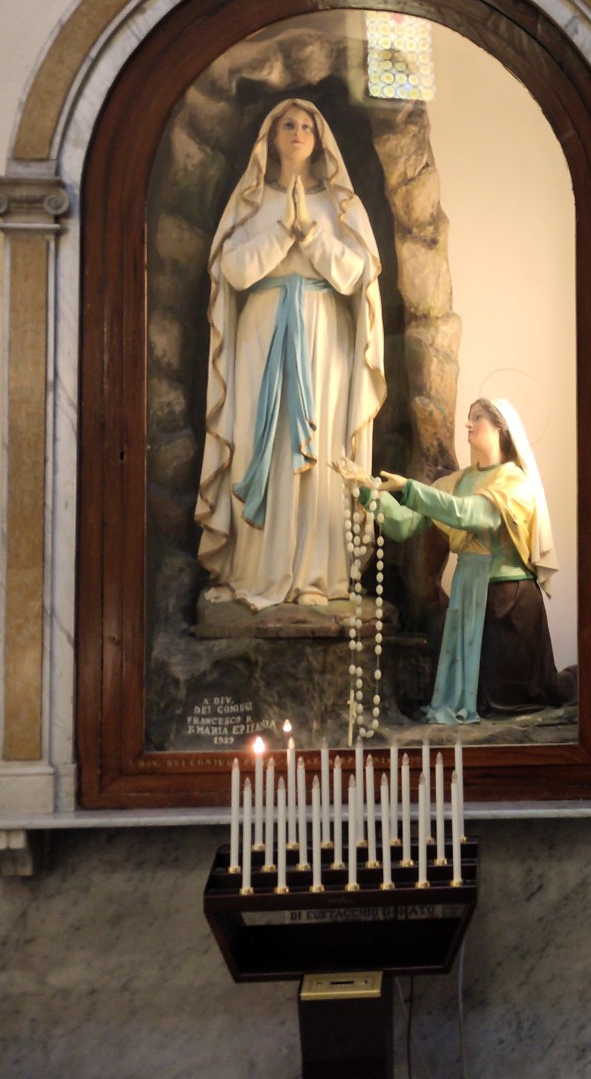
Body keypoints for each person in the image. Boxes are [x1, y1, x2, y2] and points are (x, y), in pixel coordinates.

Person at [194, 98, 387, 610]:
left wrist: (312, 232)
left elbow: (356, 274)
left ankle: (316, 577)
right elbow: (233, 271)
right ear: (271, 137)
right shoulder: (251, 200)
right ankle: (252, 570)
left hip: (324, 334)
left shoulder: (340, 204)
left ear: (320, 139)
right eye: (288, 125)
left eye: (306, 126)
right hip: (261, 330)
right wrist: (282, 232)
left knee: (320, 445)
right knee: (258, 439)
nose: (298, 132)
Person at [368, 398, 571, 723]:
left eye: (477, 417)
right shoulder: (457, 482)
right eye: (468, 417)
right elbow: (404, 524)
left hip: (507, 604)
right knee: (475, 702)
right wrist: (367, 491)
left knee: (507, 708)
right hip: (467, 594)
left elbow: (473, 515)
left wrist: (410, 488)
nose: (468, 424)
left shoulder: (516, 482)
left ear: (500, 428)